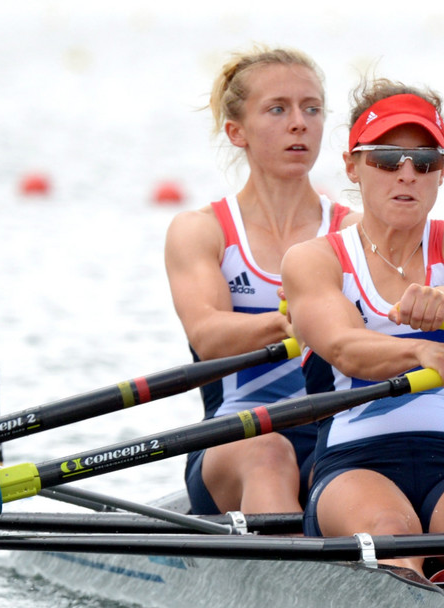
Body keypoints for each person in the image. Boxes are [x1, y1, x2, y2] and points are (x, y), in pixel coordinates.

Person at [281, 80, 444, 586]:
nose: (407, 174)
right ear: (353, 167)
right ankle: (418, 594)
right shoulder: (315, 259)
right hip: (352, 468)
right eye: (386, 158)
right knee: (390, 529)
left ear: (441, 173)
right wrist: (423, 352)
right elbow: (343, 348)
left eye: (425, 162)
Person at [165, 46, 354, 516]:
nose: (299, 123)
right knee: (270, 453)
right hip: (237, 437)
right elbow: (208, 337)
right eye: (278, 109)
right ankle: (292, 573)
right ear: (236, 132)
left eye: (312, 108)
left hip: (334, 436)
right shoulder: (202, 230)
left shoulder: (354, 232)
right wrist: (294, 321)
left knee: (368, 469)